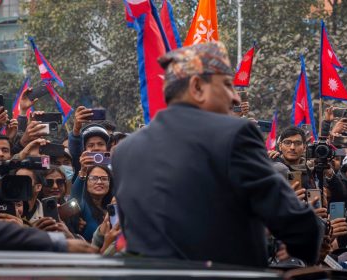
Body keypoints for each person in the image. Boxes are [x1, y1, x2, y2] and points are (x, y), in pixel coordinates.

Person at [113, 42, 323, 267]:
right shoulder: (235, 134)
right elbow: (298, 225)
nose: (235, 98)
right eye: (227, 84)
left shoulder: (124, 151)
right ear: (197, 87)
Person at [71, 164, 113, 241]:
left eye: (104, 179)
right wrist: (82, 173)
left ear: (110, 183)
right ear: (86, 182)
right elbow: (74, 200)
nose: (99, 182)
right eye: (94, 178)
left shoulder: (113, 206)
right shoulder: (83, 204)